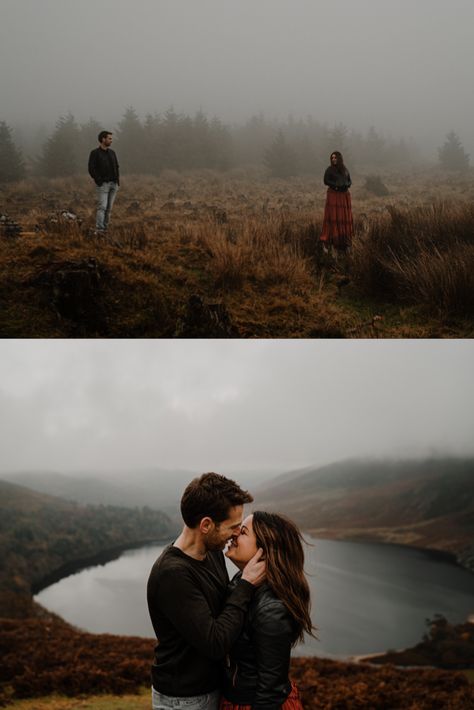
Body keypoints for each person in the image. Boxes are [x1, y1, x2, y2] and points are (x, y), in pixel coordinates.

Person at [147, 473, 266, 710]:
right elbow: (215, 643)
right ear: (206, 525)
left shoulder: (212, 552)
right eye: (233, 526)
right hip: (185, 700)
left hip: (211, 689)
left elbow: (223, 610)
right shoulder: (173, 574)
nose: (236, 533)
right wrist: (246, 585)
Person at [221, 511, 315, 710]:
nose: (234, 534)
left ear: (263, 551)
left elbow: (270, 691)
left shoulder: (272, 610)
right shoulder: (242, 583)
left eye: (243, 532)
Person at [320, 151, 354, 253]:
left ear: (339, 158)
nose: (333, 159)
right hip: (333, 195)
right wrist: (335, 185)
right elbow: (326, 181)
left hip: (344, 196)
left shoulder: (344, 169)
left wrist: (346, 185)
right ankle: (331, 241)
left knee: (344, 217)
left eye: (335, 157)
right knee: (333, 217)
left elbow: (349, 181)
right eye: (332, 158)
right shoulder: (329, 170)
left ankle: (345, 242)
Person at [88, 130, 120, 233]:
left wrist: (117, 181)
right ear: (103, 139)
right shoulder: (94, 153)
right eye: (109, 138)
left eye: (111, 139)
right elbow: (91, 169)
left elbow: (117, 166)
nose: (111, 141)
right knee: (102, 207)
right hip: (103, 185)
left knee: (109, 209)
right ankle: (99, 229)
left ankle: (105, 229)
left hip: (114, 185)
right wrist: (99, 181)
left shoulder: (112, 152)